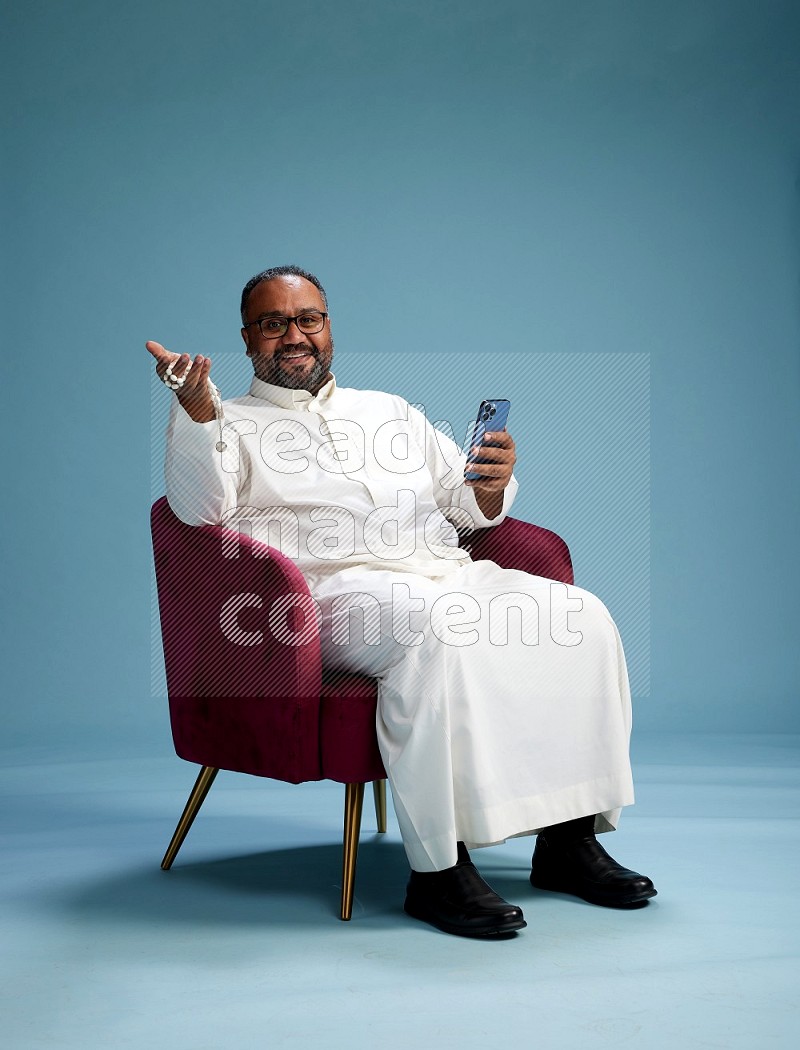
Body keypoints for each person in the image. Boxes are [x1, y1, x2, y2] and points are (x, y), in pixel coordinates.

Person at [147, 264, 656, 938]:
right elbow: (196, 509)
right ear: (248, 339)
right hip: (323, 596)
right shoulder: (226, 421)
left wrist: (492, 483)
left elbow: (466, 507)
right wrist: (197, 411)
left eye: (309, 319)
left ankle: (567, 841)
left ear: (329, 327)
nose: (295, 335)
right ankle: (439, 871)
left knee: (580, 617)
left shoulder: (389, 410)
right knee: (439, 632)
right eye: (275, 324)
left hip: (441, 569)